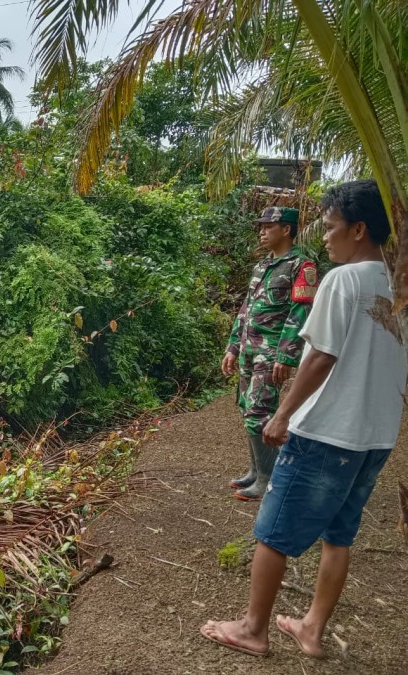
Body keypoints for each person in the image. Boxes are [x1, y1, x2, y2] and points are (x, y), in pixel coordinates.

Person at [201, 179, 408, 658]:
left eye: (333, 227)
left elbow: (321, 355)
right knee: (339, 534)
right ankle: (312, 628)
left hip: (328, 431)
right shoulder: (398, 281)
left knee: (272, 533)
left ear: (359, 229)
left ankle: (253, 630)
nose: (327, 236)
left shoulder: (342, 279)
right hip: (376, 435)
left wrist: (283, 414)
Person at [222, 206, 318, 501]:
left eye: (268, 226)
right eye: (261, 226)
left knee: (258, 413)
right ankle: (256, 471)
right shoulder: (263, 266)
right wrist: (233, 346)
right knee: (246, 408)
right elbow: (246, 308)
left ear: (286, 229)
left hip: (271, 351)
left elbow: (300, 312)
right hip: (250, 350)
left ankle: (268, 480)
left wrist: (286, 355)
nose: (262, 232)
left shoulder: (302, 267)